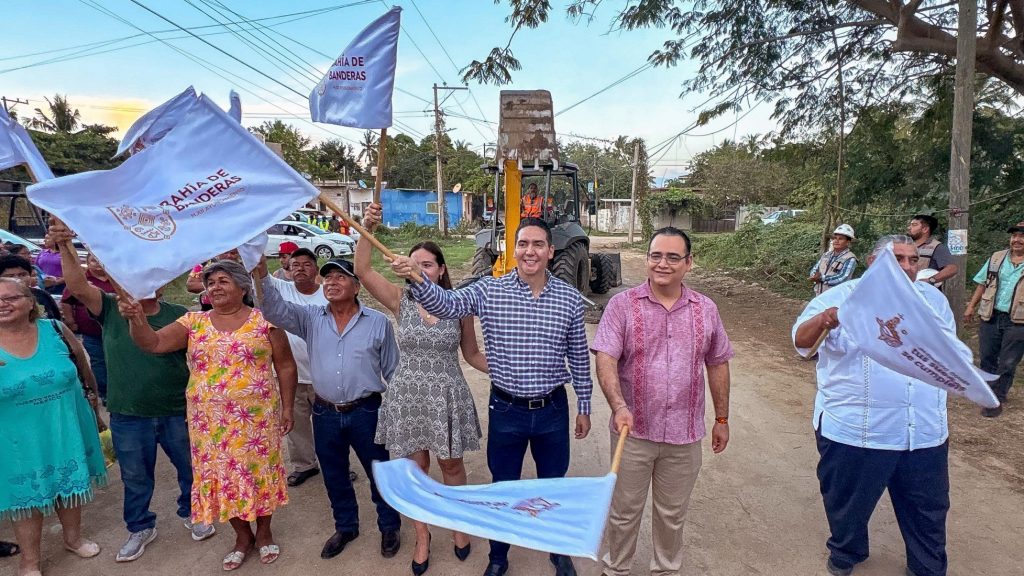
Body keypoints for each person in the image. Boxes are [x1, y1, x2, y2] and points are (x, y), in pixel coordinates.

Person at [391, 217, 593, 576]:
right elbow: (446, 304)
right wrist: (418, 277)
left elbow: (578, 355)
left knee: (553, 485)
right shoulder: (489, 290)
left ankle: (557, 549)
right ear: (512, 250)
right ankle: (498, 556)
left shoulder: (569, 299)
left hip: (552, 410)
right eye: (523, 244)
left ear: (551, 251)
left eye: (538, 244)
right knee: (503, 487)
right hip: (506, 409)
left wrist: (585, 405)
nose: (529, 251)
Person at [47, 221, 216, 562]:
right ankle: (140, 526)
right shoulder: (110, 308)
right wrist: (65, 245)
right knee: (135, 476)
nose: (145, 284)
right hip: (128, 412)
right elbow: (77, 285)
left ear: (163, 284)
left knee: (190, 467)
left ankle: (194, 512)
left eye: (153, 278)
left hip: (176, 409)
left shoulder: (181, 315)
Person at [122, 260, 297, 571]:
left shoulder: (265, 320)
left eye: (223, 281)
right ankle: (242, 536)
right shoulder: (193, 322)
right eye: (211, 282)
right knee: (222, 478)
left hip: (256, 422)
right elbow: (153, 343)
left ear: (243, 288)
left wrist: (287, 407)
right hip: (210, 425)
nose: (215, 287)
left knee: (258, 474)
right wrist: (137, 320)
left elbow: (285, 365)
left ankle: (264, 531)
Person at [793, 235, 952, 576]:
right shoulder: (840, 297)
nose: (907, 267)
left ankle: (926, 567)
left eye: (913, 260)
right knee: (848, 504)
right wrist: (825, 319)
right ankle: (846, 552)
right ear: (872, 263)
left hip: (923, 430)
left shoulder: (934, 301)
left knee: (928, 509)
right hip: (858, 431)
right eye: (897, 259)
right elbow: (802, 344)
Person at [592, 226, 733, 576]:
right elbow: (606, 358)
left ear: (688, 263)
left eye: (672, 257)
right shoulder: (622, 305)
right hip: (633, 433)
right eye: (656, 256)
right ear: (647, 260)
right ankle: (616, 568)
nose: (662, 264)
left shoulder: (706, 309)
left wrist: (722, 419)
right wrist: (618, 405)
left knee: (672, 514)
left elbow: (718, 363)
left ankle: (666, 570)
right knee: (624, 512)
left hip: (684, 436)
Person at [358, 202, 489, 574]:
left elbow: (472, 354)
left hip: (447, 394)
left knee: (451, 464)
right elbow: (363, 270)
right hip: (408, 396)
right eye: (413, 263)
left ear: (441, 269)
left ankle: (459, 525)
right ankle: (422, 535)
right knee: (416, 468)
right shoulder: (400, 301)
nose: (419, 269)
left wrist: (510, 371)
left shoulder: (459, 305)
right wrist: (367, 228)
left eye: (427, 264)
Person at [256, 256, 403, 561]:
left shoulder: (377, 322)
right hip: (325, 413)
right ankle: (346, 527)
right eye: (328, 278)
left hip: (366, 411)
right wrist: (262, 277)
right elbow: (274, 310)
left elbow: (392, 369)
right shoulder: (311, 318)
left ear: (356, 286)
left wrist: (401, 410)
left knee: (380, 472)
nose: (332, 282)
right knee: (334, 475)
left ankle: (389, 526)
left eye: (340, 277)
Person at [0, 277, 107, 576]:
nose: (3, 304)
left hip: (65, 423)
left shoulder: (55, 330)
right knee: (26, 497)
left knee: (69, 482)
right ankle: (30, 562)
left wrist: (94, 404)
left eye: (11, 297)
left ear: (30, 302)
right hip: (15, 436)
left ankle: (73, 540)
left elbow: (82, 366)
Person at [265, 247, 325, 487]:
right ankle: (304, 465)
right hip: (293, 376)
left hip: (324, 376)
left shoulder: (328, 294)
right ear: (288, 269)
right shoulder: (281, 289)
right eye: (295, 264)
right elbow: (259, 274)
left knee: (329, 426)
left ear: (316, 270)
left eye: (307, 264)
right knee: (296, 424)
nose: (300, 268)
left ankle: (336, 463)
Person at [965, 220, 1024, 418]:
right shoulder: (997, 258)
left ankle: (998, 397)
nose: (1017, 240)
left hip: (1018, 320)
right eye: (1014, 236)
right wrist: (971, 306)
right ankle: (987, 392)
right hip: (991, 314)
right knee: (987, 356)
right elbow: (982, 283)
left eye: (1022, 236)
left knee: (1008, 362)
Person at [61, 252, 114, 403]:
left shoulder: (117, 279)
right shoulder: (81, 280)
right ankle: (105, 392)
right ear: (88, 262)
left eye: (101, 260)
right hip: (92, 332)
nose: (98, 264)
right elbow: (66, 302)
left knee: (117, 360)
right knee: (99, 361)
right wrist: (70, 320)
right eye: (93, 261)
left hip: (116, 331)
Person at [0, 255, 61, 321]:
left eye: (22, 275)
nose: (17, 279)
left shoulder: (41, 295)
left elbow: (56, 319)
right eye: (10, 276)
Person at [907, 214, 957, 288]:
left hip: (925, 291)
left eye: (914, 225)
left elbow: (952, 269)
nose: (909, 228)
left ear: (925, 229)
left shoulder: (937, 247)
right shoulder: (906, 246)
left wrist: (931, 280)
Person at [809, 224, 857, 295]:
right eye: (835, 238)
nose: (836, 241)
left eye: (840, 239)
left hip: (836, 297)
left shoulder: (850, 258)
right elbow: (814, 269)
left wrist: (821, 278)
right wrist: (814, 275)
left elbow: (842, 278)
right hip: (819, 295)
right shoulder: (826, 255)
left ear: (848, 242)